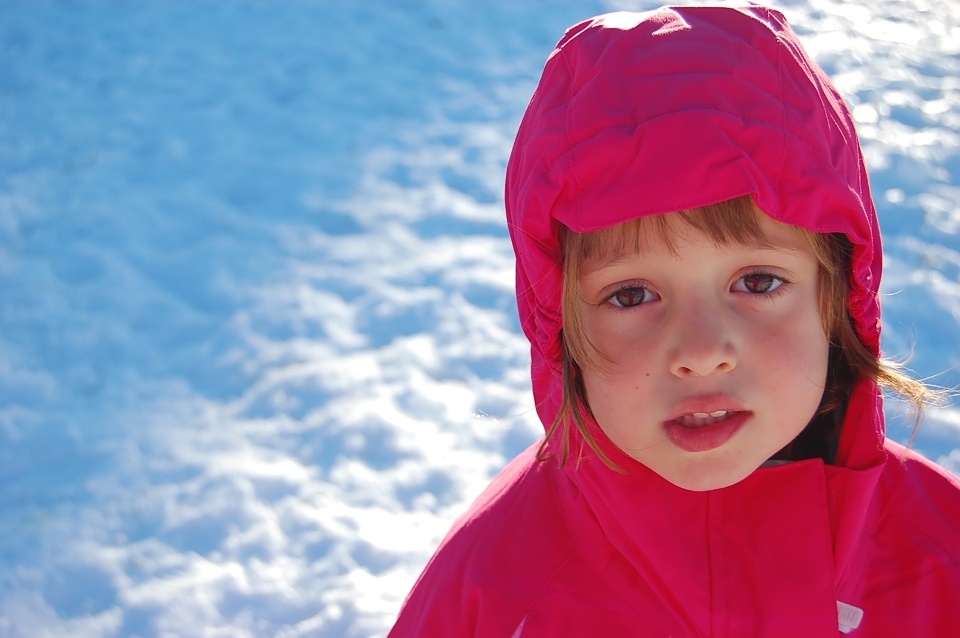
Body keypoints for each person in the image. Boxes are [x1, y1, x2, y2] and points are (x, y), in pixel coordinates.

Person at [388, 5, 960, 636]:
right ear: (560, 327)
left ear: (839, 295)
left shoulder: (939, 553)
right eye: (632, 296)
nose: (700, 351)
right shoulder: (496, 585)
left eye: (758, 282)